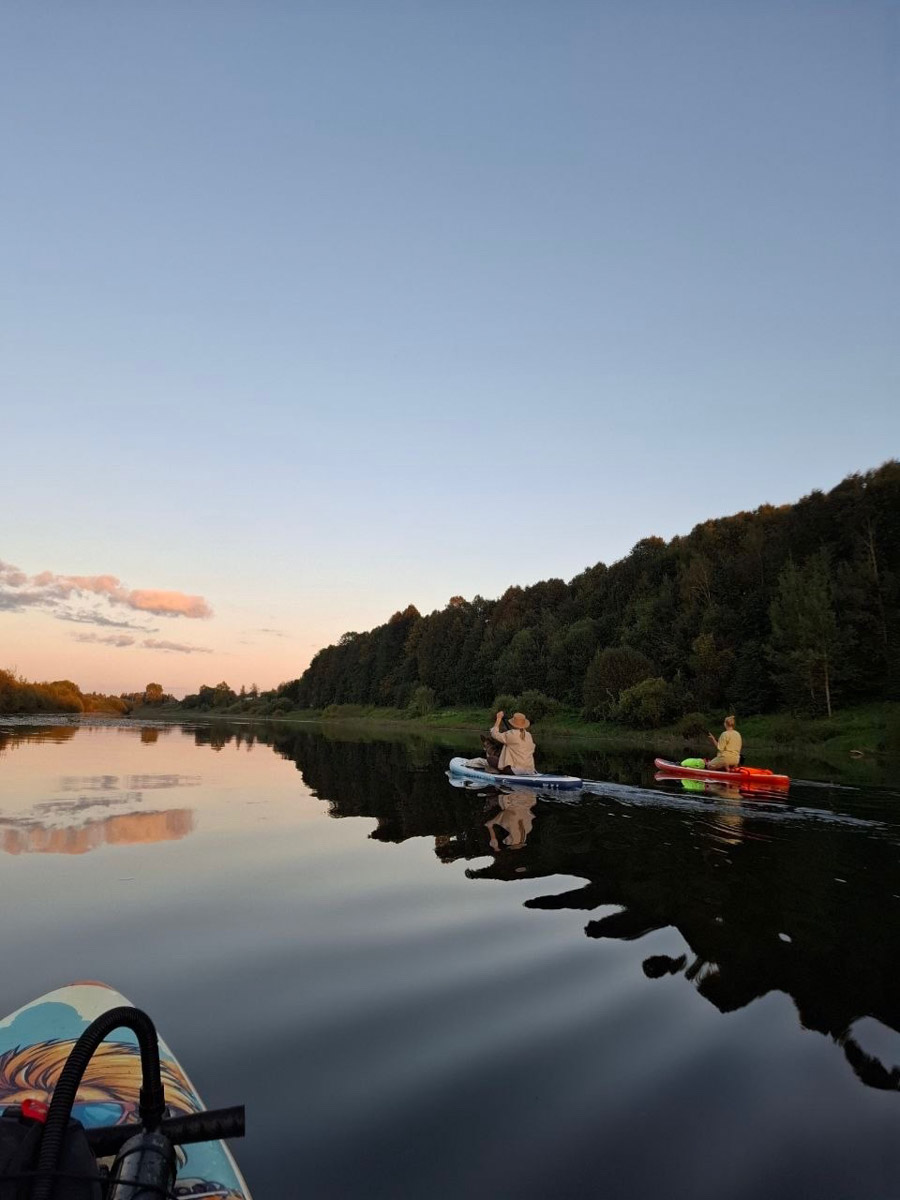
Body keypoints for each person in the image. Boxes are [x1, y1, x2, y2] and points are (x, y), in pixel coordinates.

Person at [489, 710, 536, 775]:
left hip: (516, 771)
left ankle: (500, 772)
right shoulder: (528, 735)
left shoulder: (511, 734)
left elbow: (494, 734)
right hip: (530, 769)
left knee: (491, 759)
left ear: (513, 723)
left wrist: (499, 718)